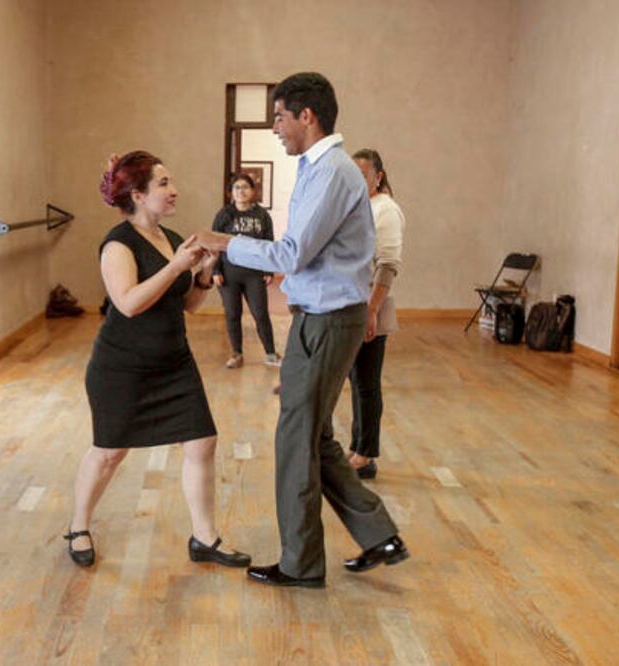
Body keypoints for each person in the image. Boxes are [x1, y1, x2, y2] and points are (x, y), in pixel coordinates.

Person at [196, 73, 408, 587]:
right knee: (313, 434)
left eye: (279, 118)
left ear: (306, 116)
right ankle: (379, 534)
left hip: (329, 321)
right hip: (320, 318)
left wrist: (223, 242)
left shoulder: (333, 172)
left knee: (296, 440)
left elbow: (292, 254)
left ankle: (301, 564)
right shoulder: (320, 168)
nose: (276, 128)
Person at [65, 151, 250, 570]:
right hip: (122, 367)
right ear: (138, 194)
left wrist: (202, 273)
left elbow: (188, 305)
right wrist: (176, 266)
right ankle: (78, 526)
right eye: (164, 184)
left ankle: (205, 538)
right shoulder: (118, 244)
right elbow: (128, 303)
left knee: (202, 441)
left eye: (171, 182)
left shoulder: (171, 237)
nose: (174, 191)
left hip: (174, 362)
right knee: (110, 453)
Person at [347, 149, 405, 480]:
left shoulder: (386, 210)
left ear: (378, 177)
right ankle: (358, 447)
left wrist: (371, 310)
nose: (357, 181)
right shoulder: (364, 206)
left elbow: (387, 264)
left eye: (364, 175)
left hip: (371, 307)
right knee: (358, 383)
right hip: (356, 306)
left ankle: (366, 454)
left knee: (367, 384)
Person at [211, 173, 281, 369]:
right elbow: (215, 244)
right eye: (236, 188)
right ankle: (237, 354)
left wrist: (269, 269)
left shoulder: (261, 215)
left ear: (253, 191)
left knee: (261, 314)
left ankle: (270, 353)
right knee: (233, 314)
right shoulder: (224, 215)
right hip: (228, 273)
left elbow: (269, 243)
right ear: (231, 193)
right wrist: (215, 270)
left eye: (245, 187)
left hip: (254, 273)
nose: (241, 191)